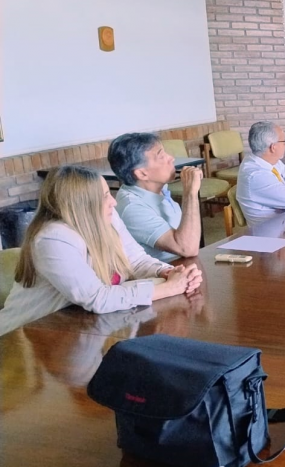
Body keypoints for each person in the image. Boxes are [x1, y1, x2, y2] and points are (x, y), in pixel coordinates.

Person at [0, 166, 202, 333]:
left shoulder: (107, 216)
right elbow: (97, 298)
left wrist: (167, 272)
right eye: (105, 196)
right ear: (82, 205)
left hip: (74, 326)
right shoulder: (52, 239)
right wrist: (169, 288)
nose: (113, 201)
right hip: (22, 338)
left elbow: (135, 260)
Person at [108, 133, 204, 262]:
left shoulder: (159, 188)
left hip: (184, 267)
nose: (171, 158)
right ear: (142, 173)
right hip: (163, 275)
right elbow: (187, 248)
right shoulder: (132, 207)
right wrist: (190, 193)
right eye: (162, 156)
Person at [236, 121, 285, 225]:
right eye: (284, 141)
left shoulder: (271, 161)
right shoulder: (256, 176)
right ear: (273, 147)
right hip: (271, 234)